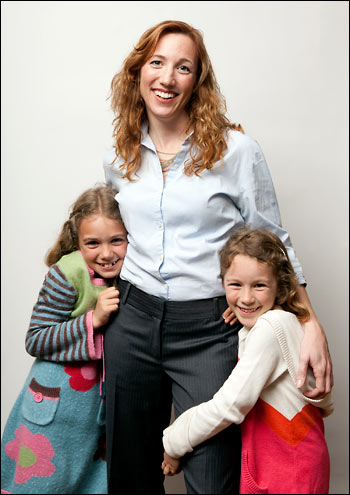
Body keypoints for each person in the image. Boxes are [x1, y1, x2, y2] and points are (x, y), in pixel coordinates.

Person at [103, 20, 333, 494]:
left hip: (211, 328)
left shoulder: (237, 151)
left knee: (212, 480)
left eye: (182, 67)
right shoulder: (119, 154)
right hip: (133, 319)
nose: (167, 78)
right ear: (138, 72)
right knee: (129, 472)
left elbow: (275, 243)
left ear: (197, 80)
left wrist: (311, 325)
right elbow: (112, 239)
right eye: (157, 63)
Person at [162, 228, 333, 494]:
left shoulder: (272, 325)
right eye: (235, 285)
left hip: (290, 468)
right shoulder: (273, 323)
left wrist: (172, 442)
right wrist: (245, 319)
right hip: (270, 464)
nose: (246, 297)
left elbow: (229, 406)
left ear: (280, 286)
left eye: (259, 285)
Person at [1, 185, 128, 494]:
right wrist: (92, 320)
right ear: (78, 241)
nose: (107, 253)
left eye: (117, 241)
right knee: (42, 485)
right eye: (93, 243)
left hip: (99, 415)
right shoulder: (67, 273)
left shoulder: (137, 273)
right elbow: (36, 338)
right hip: (56, 410)